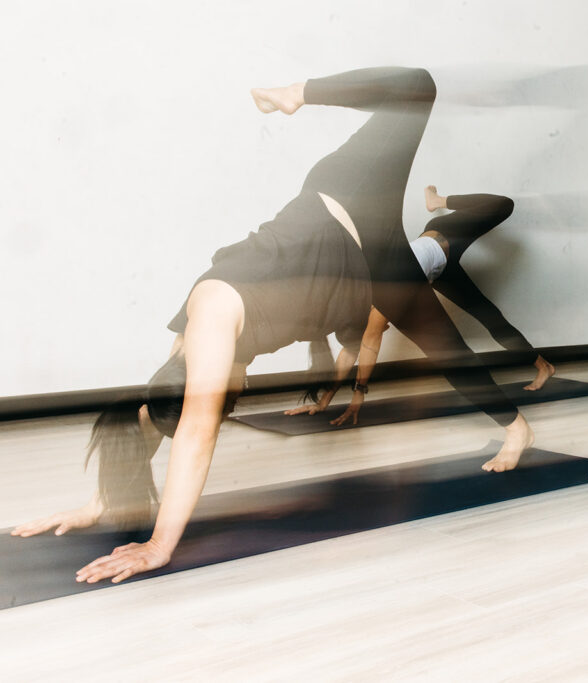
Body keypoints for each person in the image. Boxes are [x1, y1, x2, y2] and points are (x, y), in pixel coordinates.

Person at [13, 67, 534, 585]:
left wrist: (158, 545)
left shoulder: (212, 322)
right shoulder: (181, 358)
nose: (237, 391)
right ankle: (518, 428)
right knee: (445, 344)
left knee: (417, 85)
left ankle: (293, 93)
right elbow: (148, 417)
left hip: (347, 196)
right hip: (369, 262)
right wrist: (99, 503)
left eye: (224, 395)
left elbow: (194, 430)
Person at [285, 186, 555, 426]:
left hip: (445, 236)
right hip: (438, 271)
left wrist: (358, 394)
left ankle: (438, 199)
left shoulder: (378, 290)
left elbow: (369, 341)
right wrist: (324, 401)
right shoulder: (358, 306)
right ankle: (544, 366)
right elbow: (350, 350)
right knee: (489, 317)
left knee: (504, 204)